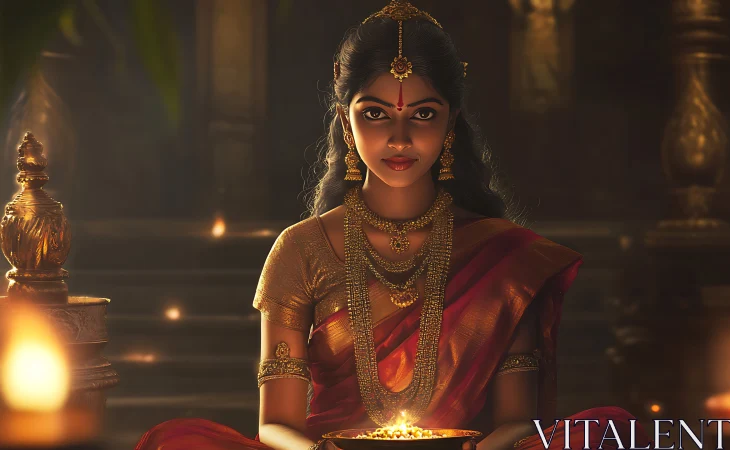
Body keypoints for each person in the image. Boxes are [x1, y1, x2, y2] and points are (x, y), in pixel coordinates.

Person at [135, 2, 647, 449]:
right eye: (376, 114)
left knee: (608, 432)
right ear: (344, 121)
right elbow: (276, 426)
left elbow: (517, 422)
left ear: (451, 123)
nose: (399, 139)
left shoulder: (503, 257)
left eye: (422, 115)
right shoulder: (302, 249)